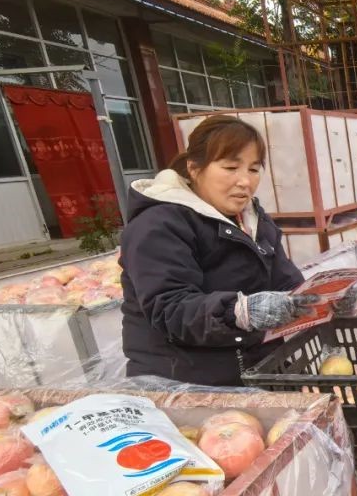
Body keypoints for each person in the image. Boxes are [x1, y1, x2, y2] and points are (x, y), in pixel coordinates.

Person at [119, 116, 328, 386]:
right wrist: (238, 311)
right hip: (186, 382)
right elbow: (171, 309)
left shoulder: (252, 220)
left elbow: (284, 281)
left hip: (255, 365)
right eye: (231, 167)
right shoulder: (158, 225)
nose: (245, 181)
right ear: (194, 168)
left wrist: (323, 298)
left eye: (254, 169)